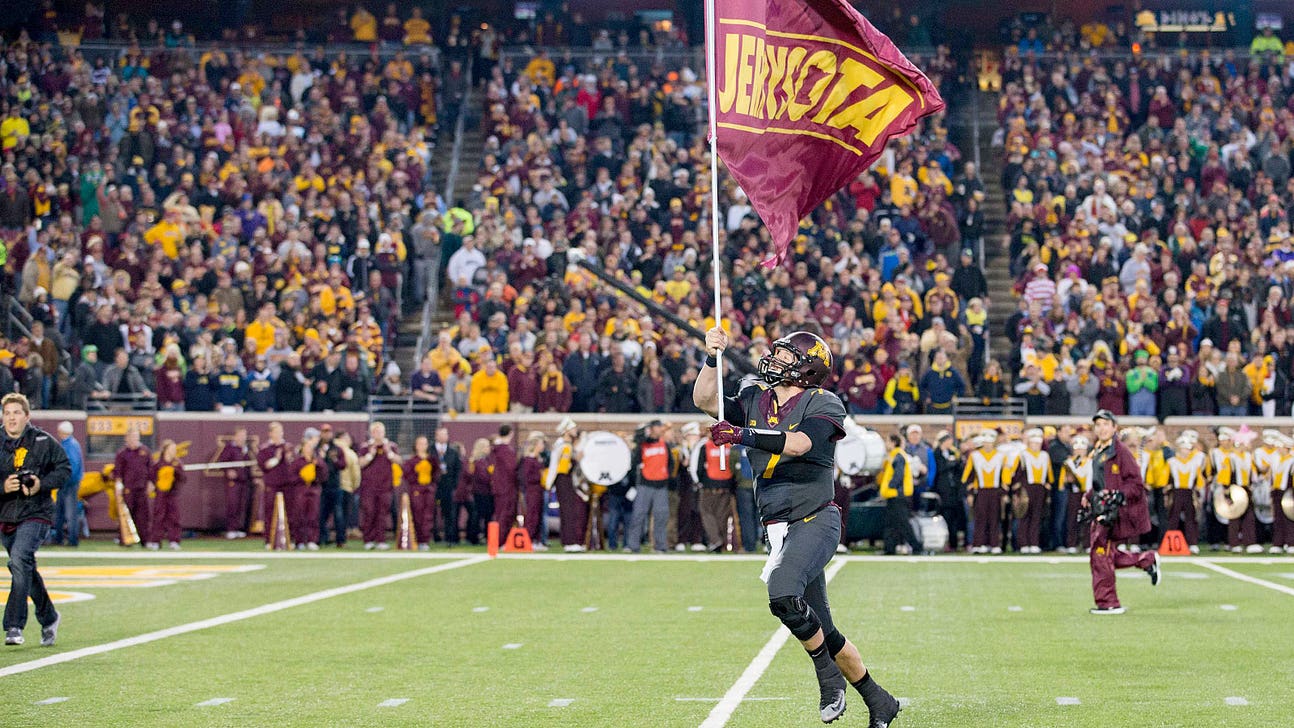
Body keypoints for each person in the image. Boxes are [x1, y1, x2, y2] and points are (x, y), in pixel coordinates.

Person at [697, 327, 902, 726]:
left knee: (782, 593)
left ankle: (828, 679)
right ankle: (880, 700)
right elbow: (706, 400)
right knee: (826, 630)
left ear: (808, 367)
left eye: (787, 355)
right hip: (778, 527)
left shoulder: (824, 402)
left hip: (815, 518)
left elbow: (800, 444)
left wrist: (741, 434)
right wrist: (711, 357)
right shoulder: (756, 397)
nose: (775, 359)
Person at [1, 393, 71, 646]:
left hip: (36, 512)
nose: (11, 417)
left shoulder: (43, 440)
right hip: (6, 514)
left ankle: (13, 625)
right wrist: (3, 487)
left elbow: (65, 468)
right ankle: (49, 616)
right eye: (7, 412)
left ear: (26, 416)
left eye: (16, 412)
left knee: (19, 560)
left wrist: (42, 484)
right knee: (24, 567)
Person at [1086, 409, 1160, 615]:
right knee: (1101, 554)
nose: (1101, 428)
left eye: (1105, 424)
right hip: (1102, 508)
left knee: (1101, 554)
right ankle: (1146, 560)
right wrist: (1089, 496)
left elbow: (1136, 484)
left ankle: (1108, 603)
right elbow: (1101, 483)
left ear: (1114, 427)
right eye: (1098, 425)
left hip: (1114, 512)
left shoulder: (1122, 453)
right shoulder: (1099, 451)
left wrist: (1119, 495)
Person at [627, 419, 675, 554]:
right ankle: (633, 545)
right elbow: (634, 462)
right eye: (658, 427)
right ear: (652, 428)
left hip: (661, 485)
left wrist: (667, 475)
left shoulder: (665, 444)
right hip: (645, 484)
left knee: (661, 516)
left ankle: (660, 546)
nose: (661, 429)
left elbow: (670, 463)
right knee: (639, 515)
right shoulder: (643, 444)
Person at [688, 423, 735, 552]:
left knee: (707, 513)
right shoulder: (729, 445)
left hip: (708, 485)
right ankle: (723, 542)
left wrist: (698, 482)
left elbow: (696, 465)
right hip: (726, 484)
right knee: (722, 515)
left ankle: (715, 540)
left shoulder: (705, 445)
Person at [358, 422, 401, 550]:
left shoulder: (391, 446)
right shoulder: (366, 447)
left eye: (381, 431)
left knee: (383, 513)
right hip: (369, 487)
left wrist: (390, 453)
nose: (379, 434)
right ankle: (368, 539)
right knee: (369, 512)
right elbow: (360, 463)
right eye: (376, 432)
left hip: (385, 486)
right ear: (371, 433)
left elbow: (399, 461)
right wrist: (370, 454)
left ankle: (381, 539)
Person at [546, 417, 587, 551]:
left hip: (565, 480)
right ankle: (569, 542)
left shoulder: (565, 444)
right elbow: (563, 467)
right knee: (568, 511)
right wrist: (574, 460)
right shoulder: (564, 445)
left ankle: (570, 540)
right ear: (566, 431)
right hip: (564, 480)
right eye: (573, 429)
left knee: (569, 510)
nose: (575, 431)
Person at [963, 430, 1007, 554]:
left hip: (995, 491)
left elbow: (1004, 476)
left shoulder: (1000, 456)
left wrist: (1003, 493)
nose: (988, 445)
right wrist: (970, 493)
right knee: (980, 517)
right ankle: (978, 544)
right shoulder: (975, 456)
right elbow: (969, 476)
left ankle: (994, 544)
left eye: (990, 443)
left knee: (994, 518)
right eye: (985, 443)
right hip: (981, 491)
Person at [1008, 429, 1051, 554]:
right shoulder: (1022, 455)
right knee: (1024, 515)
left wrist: (1047, 489)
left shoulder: (1045, 455)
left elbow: (1049, 475)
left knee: (1036, 516)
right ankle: (1023, 543)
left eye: (1038, 443)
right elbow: (1016, 474)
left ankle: (1034, 542)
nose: (1036, 446)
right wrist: (1017, 492)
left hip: (1040, 489)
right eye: (1033, 443)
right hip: (1026, 489)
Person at [878, 433, 921, 555]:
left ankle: (917, 547)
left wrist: (891, 487)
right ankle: (889, 549)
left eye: (888, 441)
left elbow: (898, 475)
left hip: (898, 495)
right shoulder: (895, 456)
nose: (886, 444)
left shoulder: (898, 456)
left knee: (903, 523)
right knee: (891, 524)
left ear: (893, 442)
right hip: (894, 495)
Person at [1165, 432, 1206, 554]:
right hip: (1176, 492)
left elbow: (1199, 480)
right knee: (1173, 518)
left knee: (1191, 518)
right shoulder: (1171, 462)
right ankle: (1170, 543)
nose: (1187, 451)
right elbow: (1165, 479)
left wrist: (1198, 492)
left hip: (1189, 492)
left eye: (1189, 449)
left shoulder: (1194, 463)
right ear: (1179, 448)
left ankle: (1192, 543)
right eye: (1185, 449)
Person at [115, 427, 154, 549]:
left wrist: (151, 483)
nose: (134, 439)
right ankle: (126, 539)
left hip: (141, 487)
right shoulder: (122, 453)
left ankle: (145, 540)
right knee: (126, 514)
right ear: (126, 438)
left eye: (136, 437)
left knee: (143, 515)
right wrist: (118, 486)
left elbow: (151, 469)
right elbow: (118, 472)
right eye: (131, 437)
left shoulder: (145, 451)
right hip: (128, 488)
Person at [257, 423, 294, 547]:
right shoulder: (265, 448)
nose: (279, 435)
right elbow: (264, 465)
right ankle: (269, 540)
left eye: (280, 432)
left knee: (290, 511)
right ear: (270, 433)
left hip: (287, 484)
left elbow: (293, 463)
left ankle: (290, 539)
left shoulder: (287, 447)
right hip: (272, 484)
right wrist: (277, 459)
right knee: (270, 512)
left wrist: (288, 457)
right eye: (276, 432)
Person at [317, 425, 348, 548]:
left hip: (335, 485)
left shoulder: (337, 449)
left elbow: (343, 465)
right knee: (321, 514)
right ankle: (322, 538)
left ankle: (340, 540)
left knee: (338, 514)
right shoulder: (317, 448)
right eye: (324, 432)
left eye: (328, 432)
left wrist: (334, 460)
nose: (326, 435)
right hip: (321, 486)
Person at [219, 427, 253, 540]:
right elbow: (222, 461)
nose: (243, 438)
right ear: (235, 436)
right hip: (233, 482)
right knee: (232, 505)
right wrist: (228, 471)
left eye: (244, 436)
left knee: (241, 505)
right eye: (241, 435)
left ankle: (238, 528)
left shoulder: (245, 449)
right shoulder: (229, 448)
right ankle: (231, 529)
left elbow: (248, 465)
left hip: (243, 481)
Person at [53, 421, 83, 547]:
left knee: (70, 513)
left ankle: (72, 540)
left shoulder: (69, 445)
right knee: (61, 511)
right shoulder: (72, 444)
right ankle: (60, 538)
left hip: (68, 483)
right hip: (67, 482)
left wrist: (64, 479)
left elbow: (72, 466)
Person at [408, 435, 439, 550]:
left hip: (428, 490)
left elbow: (436, 473)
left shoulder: (431, 459)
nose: (422, 446)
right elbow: (408, 475)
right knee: (417, 514)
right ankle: (417, 539)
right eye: (420, 443)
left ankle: (425, 540)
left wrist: (432, 485)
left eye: (424, 443)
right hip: (417, 490)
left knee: (428, 515)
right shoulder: (412, 461)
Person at [433, 428, 462, 544]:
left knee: (449, 513)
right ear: (436, 436)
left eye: (445, 434)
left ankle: (449, 537)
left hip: (448, 486)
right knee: (431, 512)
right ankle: (434, 536)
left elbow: (457, 469)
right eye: (441, 434)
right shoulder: (430, 450)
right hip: (433, 486)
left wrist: (454, 485)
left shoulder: (453, 452)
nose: (443, 437)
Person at [519, 432, 548, 548]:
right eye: (541, 444)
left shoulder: (537, 459)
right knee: (532, 515)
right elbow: (526, 477)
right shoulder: (528, 460)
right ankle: (528, 540)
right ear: (535, 445)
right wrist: (540, 476)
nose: (543, 446)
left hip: (539, 490)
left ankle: (536, 540)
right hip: (532, 491)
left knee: (539, 516)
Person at [490, 425, 519, 528]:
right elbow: (511, 469)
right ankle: (502, 540)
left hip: (499, 486)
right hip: (507, 487)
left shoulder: (495, 450)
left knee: (501, 513)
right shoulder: (506, 451)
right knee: (505, 514)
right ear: (511, 433)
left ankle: (501, 539)